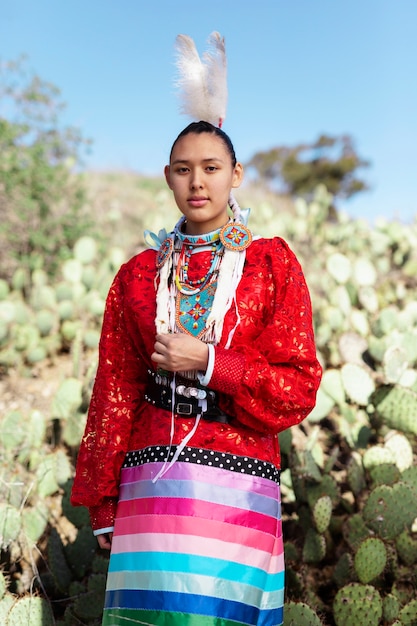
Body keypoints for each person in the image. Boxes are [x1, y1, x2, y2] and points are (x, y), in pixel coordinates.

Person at [71, 119, 322, 626]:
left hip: (238, 483)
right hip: (152, 476)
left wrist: (209, 363)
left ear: (237, 174)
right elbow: (115, 391)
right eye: (184, 170)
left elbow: (297, 387)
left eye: (211, 168)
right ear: (167, 177)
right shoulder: (137, 276)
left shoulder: (271, 266)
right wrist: (101, 499)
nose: (198, 183)